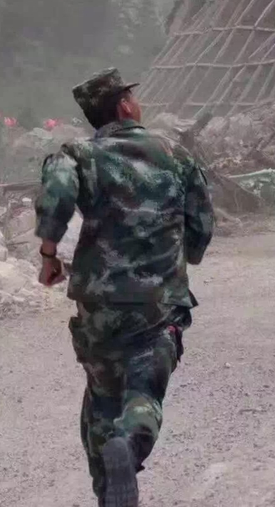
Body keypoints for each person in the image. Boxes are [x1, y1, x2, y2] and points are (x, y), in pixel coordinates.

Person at [35, 69, 214, 507]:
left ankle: (108, 493)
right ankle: (130, 445)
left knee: (102, 398)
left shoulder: (79, 154)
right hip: (157, 305)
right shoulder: (175, 155)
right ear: (124, 106)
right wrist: (185, 252)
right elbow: (202, 228)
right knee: (143, 392)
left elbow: (58, 190)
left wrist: (48, 251)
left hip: (99, 308)